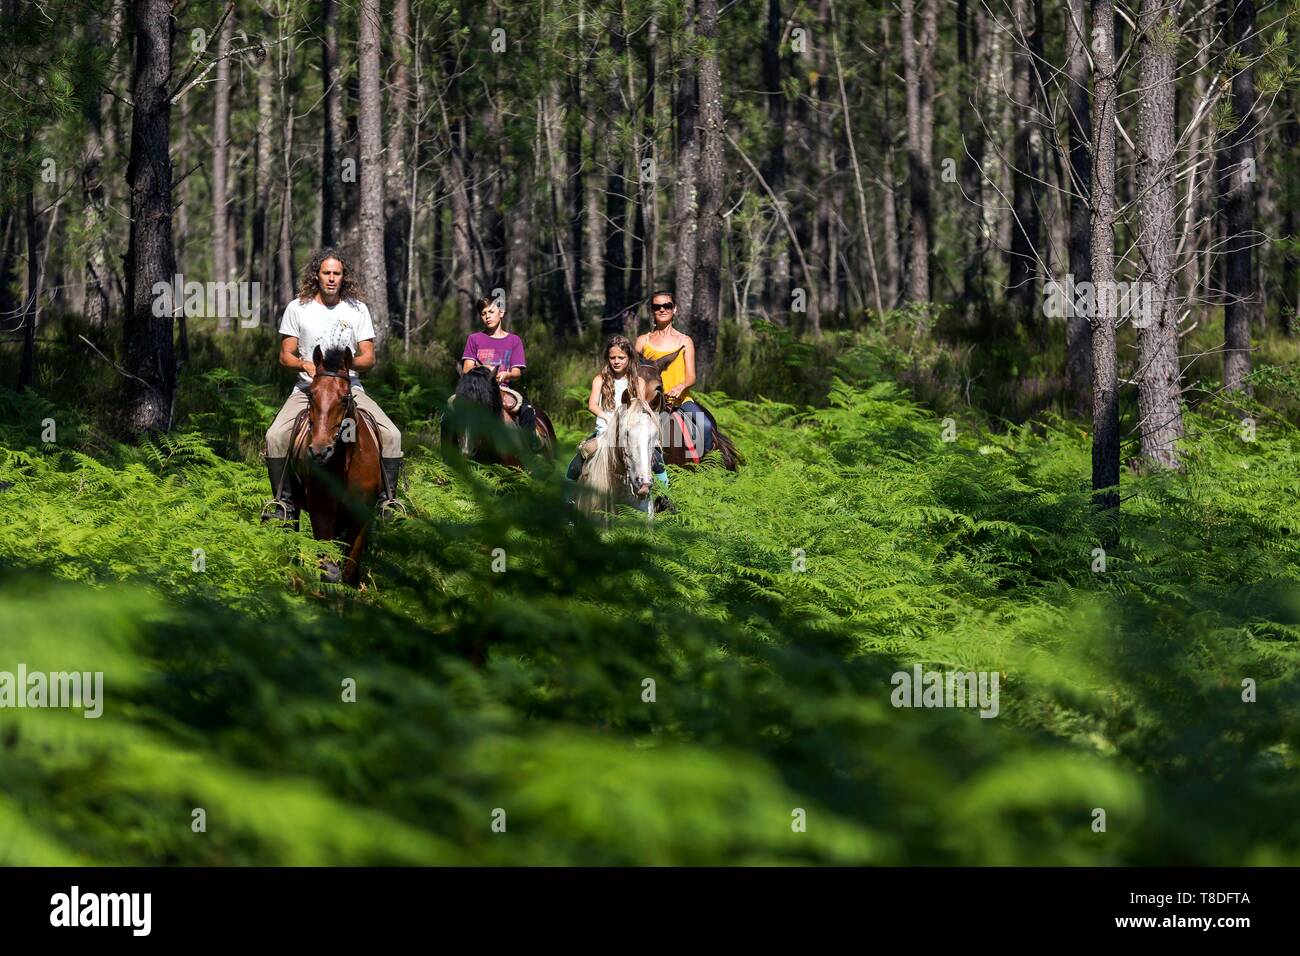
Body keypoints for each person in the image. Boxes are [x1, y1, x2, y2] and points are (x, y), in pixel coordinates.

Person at [262, 248, 405, 521]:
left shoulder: (356, 309)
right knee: (275, 436)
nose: (331, 279)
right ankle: (284, 504)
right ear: (316, 275)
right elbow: (285, 355)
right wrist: (306, 365)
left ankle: (387, 502)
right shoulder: (298, 308)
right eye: (326, 273)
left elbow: (369, 357)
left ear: (343, 277)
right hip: (308, 390)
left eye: (336, 274)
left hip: (347, 389)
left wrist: (343, 368)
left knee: (393, 435)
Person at [566, 335, 669, 493]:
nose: (616, 361)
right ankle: (568, 503)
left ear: (629, 358)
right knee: (577, 462)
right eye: (612, 357)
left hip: (631, 432)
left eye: (621, 357)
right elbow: (592, 405)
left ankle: (665, 497)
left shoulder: (638, 381)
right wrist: (607, 418)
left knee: (657, 461)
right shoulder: (599, 379)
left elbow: (639, 406)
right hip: (605, 432)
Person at [635, 291, 713, 454]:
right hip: (651, 403)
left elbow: (691, 376)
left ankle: (707, 470)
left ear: (674, 309)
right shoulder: (643, 341)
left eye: (667, 306)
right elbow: (633, 373)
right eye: (657, 307)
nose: (662, 310)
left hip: (681, 401)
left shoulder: (685, 341)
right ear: (652, 310)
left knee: (706, 426)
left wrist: (679, 388)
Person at [460, 296, 537, 433]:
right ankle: (450, 452)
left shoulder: (514, 340)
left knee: (528, 411)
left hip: (503, 389)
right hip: (476, 391)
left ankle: (530, 450)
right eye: (483, 314)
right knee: (448, 412)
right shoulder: (474, 339)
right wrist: (485, 371)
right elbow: (466, 369)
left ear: (501, 313)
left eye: (491, 312)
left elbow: (517, 372)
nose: (487, 317)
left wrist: (507, 374)